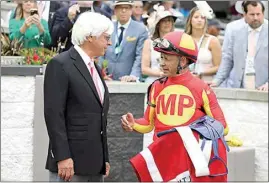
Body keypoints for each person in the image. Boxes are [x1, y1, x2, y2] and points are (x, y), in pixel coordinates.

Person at [121, 31, 229, 181]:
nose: (162, 63)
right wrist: (133, 124)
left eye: (167, 59)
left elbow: (223, 127)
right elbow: (148, 124)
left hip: (187, 165)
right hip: (161, 160)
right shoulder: (156, 86)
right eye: (161, 58)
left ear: (183, 61)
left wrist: (188, 135)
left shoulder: (202, 88)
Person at [44, 12, 113, 182]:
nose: (109, 43)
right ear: (90, 36)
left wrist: (104, 157)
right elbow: (54, 115)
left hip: (94, 165)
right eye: (106, 37)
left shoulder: (94, 67)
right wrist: (62, 156)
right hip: (70, 166)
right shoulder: (60, 64)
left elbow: (98, 116)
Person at [211, 1, 268, 91]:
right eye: (252, 14)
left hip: (262, 88)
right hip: (236, 86)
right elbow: (227, 58)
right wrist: (217, 80)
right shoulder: (233, 29)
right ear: (244, 15)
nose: (256, 17)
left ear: (263, 13)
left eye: (258, 14)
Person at [99, 1, 148, 82]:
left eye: (127, 8)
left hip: (129, 80)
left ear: (131, 10)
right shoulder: (108, 27)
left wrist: (133, 76)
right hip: (107, 79)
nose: (123, 11)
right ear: (115, 10)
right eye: (120, 8)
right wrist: (102, 73)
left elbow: (139, 56)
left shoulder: (140, 29)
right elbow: (101, 52)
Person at [185, 7, 222, 83]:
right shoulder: (183, 39)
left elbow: (219, 66)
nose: (199, 20)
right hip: (186, 82)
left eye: (202, 17)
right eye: (196, 17)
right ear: (190, 20)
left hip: (206, 82)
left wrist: (201, 73)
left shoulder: (213, 40)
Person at [142, 5, 177, 83]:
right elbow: (144, 69)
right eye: (164, 21)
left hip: (173, 81)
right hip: (154, 81)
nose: (167, 23)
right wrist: (161, 74)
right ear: (158, 24)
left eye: (169, 20)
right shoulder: (149, 42)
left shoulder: (177, 42)